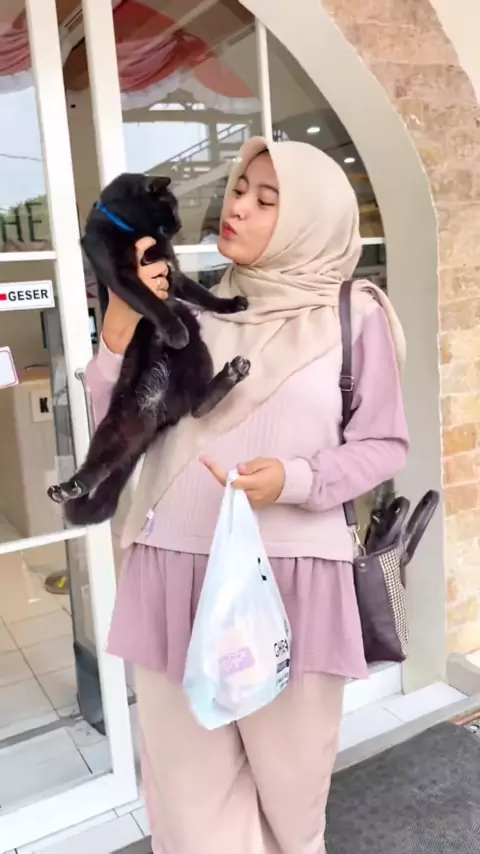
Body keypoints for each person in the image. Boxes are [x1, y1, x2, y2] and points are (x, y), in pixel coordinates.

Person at [86, 137, 409, 854]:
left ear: (310, 219)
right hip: (174, 572)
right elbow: (118, 420)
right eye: (239, 189)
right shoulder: (193, 309)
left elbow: (385, 445)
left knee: (291, 805)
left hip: (293, 580)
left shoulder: (353, 316)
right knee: (191, 809)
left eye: (268, 200)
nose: (238, 207)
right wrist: (117, 327)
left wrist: (294, 480)